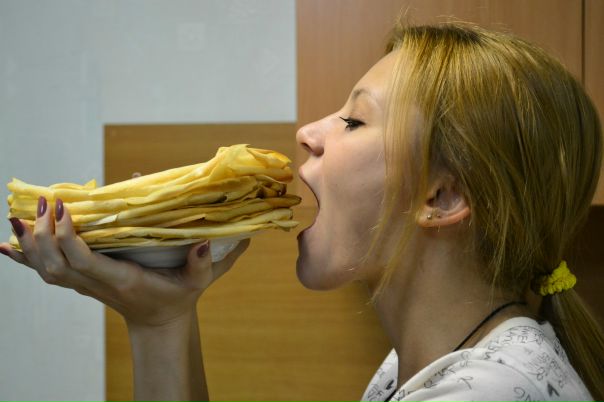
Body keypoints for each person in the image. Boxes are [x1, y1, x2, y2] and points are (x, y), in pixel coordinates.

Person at [1, 22, 603, 402]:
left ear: (441, 198)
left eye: (354, 120)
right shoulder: (424, 367)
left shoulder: (488, 392)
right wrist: (160, 321)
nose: (308, 133)